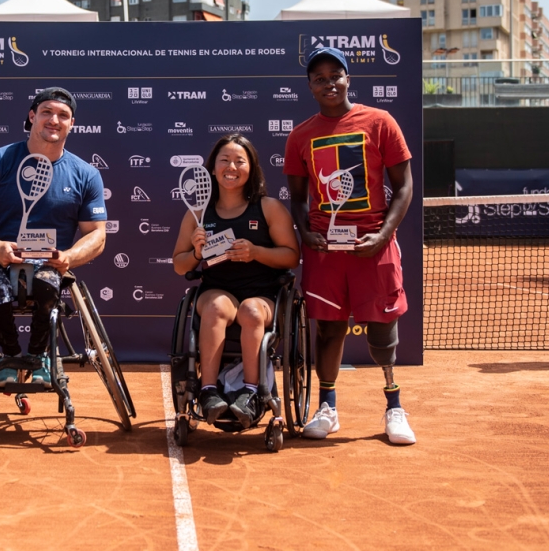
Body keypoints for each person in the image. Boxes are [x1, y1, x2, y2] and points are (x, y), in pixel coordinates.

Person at [282, 47, 416, 445]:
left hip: (374, 245)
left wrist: (384, 235)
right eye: (319, 78)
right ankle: (328, 407)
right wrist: (305, 232)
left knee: (382, 335)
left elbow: (404, 186)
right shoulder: (301, 135)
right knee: (329, 331)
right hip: (325, 251)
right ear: (310, 86)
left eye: (335, 74)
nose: (329, 83)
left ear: (348, 79)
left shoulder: (380, 122)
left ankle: (394, 407)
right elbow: (298, 197)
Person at [0, 87, 107, 386]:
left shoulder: (86, 174)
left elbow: (97, 235)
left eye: (63, 115)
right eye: (47, 112)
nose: (54, 120)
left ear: (72, 124)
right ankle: (9, 356)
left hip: (50, 266)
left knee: (47, 283)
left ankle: (39, 357)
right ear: (32, 116)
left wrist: (69, 257)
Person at [172, 134, 299, 428]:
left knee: (251, 312)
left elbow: (292, 256)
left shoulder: (268, 208)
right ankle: (207, 392)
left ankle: (250, 393)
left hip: (262, 293)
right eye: (224, 160)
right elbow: (180, 265)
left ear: (251, 168)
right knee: (216, 306)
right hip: (217, 290)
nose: (232, 166)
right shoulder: (198, 215)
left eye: (240, 161)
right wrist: (196, 252)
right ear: (213, 169)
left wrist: (255, 252)